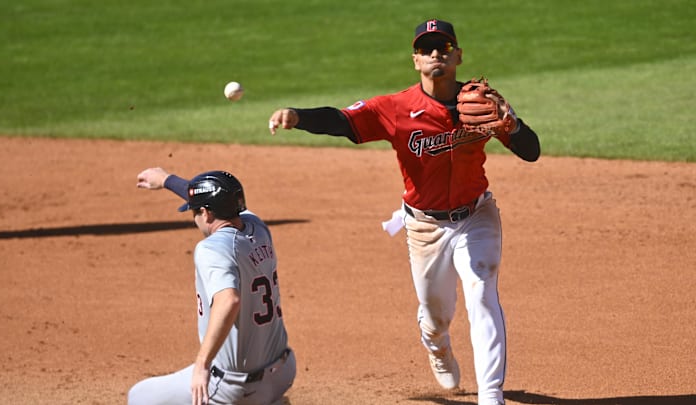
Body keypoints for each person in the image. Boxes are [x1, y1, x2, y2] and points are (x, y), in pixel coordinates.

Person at [267, 19, 540, 405]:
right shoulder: (396, 108)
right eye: (427, 49)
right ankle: (436, 343)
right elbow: (343, 120)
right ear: (415, 60)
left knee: (481, 289)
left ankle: (490, 396)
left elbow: (532, 151)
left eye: (443, 49)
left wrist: (511, 123)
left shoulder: (481, 104)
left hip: (477, 217)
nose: (435, 56)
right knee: (436, 315)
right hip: (425, 227)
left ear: (458, 56)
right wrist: (298, 115)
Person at [129, 167, 296, 405]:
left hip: (236, 387)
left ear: (206, 214)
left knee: (140, 397)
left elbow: (229, 300)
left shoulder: (212, 249)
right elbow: (219, 199)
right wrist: (167, 180)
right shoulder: (257, 227)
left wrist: (202, 365)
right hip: (282, 371)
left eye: (194, 212)